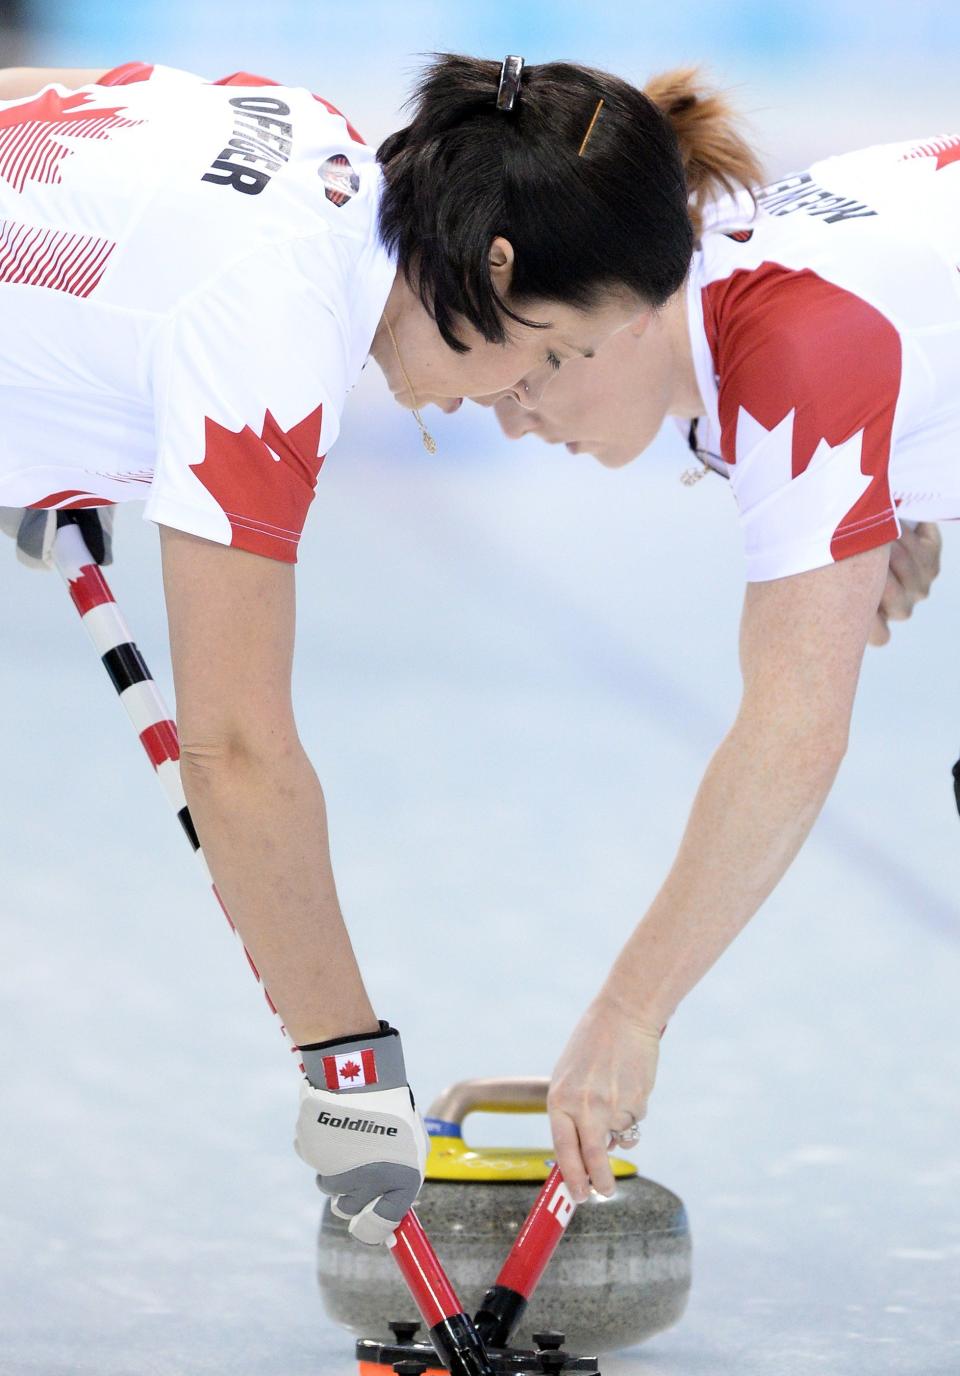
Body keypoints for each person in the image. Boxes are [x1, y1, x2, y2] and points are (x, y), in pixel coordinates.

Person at [0, 54, 701, 1243]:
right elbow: (236, 754)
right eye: (554, 350)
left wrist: (53, 414)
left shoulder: (318, 140)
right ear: (497, 270)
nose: (524, 394)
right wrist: (346, 1060)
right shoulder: (274, 346)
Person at [486, 68, 955, 1201]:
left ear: (622, 312)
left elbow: (793, 734)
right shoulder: (717, 278)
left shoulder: (786, 348)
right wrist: (912, 488)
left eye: (533, 366)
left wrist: (629, 1010)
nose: (514, 412)